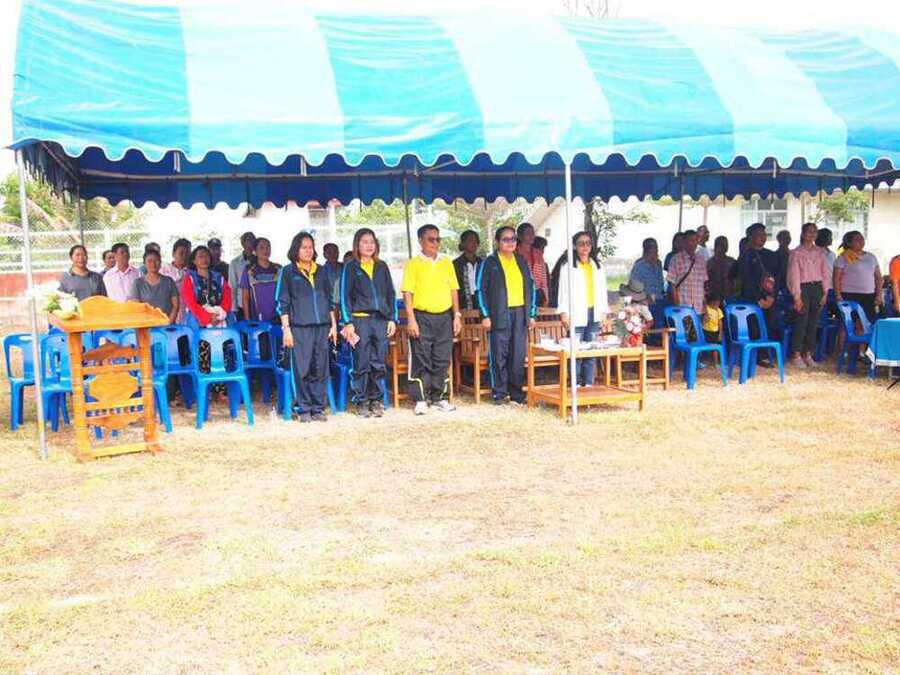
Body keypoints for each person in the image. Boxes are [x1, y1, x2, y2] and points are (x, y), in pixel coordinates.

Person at [401, 224, 462, 415]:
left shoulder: (446, 262)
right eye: (431, 239)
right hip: (422, 316)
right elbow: (407, 293)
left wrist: (457, 315)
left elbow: (454, 290)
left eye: (438, 239)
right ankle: (421, 399)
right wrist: (411, 319)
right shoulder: (413, 263)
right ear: (421, 241)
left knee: (442, 358)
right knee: (421, 358)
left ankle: (439, 398)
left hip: (444, 317)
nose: (435, 243)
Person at [277, 232, 337, 423]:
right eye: (304, 247)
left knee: (320, 368)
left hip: (322, 327)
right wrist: (286, 329)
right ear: (296, 249)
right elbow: (282, 303)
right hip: (299, 328)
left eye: (310, 247)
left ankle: (318, 408)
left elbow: (329, 300)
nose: (308, 250)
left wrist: (333, 325)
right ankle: (303, 409)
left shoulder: (322, 271)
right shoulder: (288, 272)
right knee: (301, 369)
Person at [340, 228, 397, 418]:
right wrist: (348, 322)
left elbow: (390, 293)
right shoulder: (351, 267)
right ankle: (361, 400)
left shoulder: (382, 266)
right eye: (364, 242)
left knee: (378, 362)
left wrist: (392, 318)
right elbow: (344, 296)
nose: (369, 245)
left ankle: (376, 399)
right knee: (361, 362)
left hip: (380, 321)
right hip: (359, 321)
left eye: (372, 242)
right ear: (357, 245)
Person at [477, 226, 537, 404]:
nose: (510, 242)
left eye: (513, 239)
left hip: (520, 313)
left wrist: (532, 314)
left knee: (518, 355)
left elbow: (531, 287)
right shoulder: (490, 262)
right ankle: (499, 393)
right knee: (499, 355)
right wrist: (485, 315)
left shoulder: (521, 261)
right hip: (499, 314)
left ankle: (517, 394)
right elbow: (480, 290)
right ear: (497, 242)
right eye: (506, 239)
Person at [556, 231, 610, 387]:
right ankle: (576, 384)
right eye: (581, 243)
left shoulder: (598, 266)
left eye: (588, 243)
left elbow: (603, 290)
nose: (585, 246)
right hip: (576, 312)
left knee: (591, 350)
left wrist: (604, 312)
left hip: (594, 311)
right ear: (575, 246)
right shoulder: (568, 266)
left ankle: (589, 384)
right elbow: (563, 291)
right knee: (576, 350)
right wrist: (564, 313)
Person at [787, 222, 830, 368]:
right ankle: (796, 354)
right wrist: (797, 296)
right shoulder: (796, 253)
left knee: (813, 322)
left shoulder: (820, 252)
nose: (812, 235)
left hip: (817, 287)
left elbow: (825, 273)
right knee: (802, 321)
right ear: (803, 234)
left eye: (814, 232)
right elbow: (794, 276)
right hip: (803, 288)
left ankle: (808, 353)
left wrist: (825, 292)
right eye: (809, 232)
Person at [735, 223, 780, 364]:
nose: (762, 237)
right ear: (750, 237)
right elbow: (746, 279)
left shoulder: (771, 255)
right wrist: (758, 299)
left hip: (770, 298)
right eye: (758, 235)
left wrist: (772, 297)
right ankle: (754, 356)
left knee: (769, 325)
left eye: (764, 234)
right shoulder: (745, 256)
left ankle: (766, 354)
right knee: (753, 327)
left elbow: (778, 277)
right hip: (751, 299)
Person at [834, 230, 882, 323]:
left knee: (866, 323)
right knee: (847, 323)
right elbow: (836, 278)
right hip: (848, 294)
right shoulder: (843, 257)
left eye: (862, 238)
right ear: (849, 243)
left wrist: (879, 295)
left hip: (869, 295)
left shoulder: (871, 256)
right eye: (857, 239)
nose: (861, 241)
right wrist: (838, 296)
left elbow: (878, 278)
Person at [666, 229, 708, 330]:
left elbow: (703, 285)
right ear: (684, 242)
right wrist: (677, 307)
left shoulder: (701, 260)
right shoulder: (675, 259)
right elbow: (672, 285)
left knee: (698, 335)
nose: (693, 243)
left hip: (698, 308)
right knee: (685, 334)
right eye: (690, 240)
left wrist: (705, 308)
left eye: (695, 240)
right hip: (683, 306)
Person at [182, 245, 232, 330]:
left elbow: (227, 297)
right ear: (194, 261)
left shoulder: (219, 277)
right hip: (198, 316)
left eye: (206, 256)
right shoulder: (190, 278)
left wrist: (220, 314)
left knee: (231, 323)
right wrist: (208, 317)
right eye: (200, 256)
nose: (204, 259)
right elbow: (190, 302)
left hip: (219, 314)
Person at [128, 248, 179, 324]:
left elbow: (176, 305)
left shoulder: (169, 281)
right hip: (146, 326)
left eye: (156, 261)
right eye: (149, 261)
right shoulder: (138, 283)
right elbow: (137, 308)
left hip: (167, 326)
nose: (153, 264)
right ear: (144, 263)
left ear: (160, 262)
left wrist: (168, 323)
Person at [239, 237, 281, 323]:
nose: (265, 250)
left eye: (268, 247)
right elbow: (245, 298)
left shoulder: (279, 269)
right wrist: (248, 320)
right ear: (255, 251)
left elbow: (285, 295)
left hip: (278, 318)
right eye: (261, 247)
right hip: (257, 319)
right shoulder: (249, 270)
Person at [516, 222, 549, 306]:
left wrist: (546, 295)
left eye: (533, 233)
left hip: (538, 292)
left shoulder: (538, 253)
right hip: (521, 292)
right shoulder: (515, 253)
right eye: (528, 233)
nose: (531, 236)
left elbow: (543, 276)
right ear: (520, 236)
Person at [160, 238, 191, 324]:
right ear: (173, 254)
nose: (184, 256)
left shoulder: (192, 272)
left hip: (186, 316)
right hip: (167, 315)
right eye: (181, 253)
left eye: (187, 253)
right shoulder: (163, 270)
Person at [453, 229, 482, 312]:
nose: (474, 243)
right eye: (470, 240)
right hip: (463, 303)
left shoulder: (482, 262)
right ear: (463, 243)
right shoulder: (456, 264)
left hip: (480, 300)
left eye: (476, 241)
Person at [628, 238, 665, 303]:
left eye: (656, 249)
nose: (656, 252)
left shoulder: (659, 264)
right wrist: (645, 298)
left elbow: (661, 285)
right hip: (645, 303)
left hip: (660, 299)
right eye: (652, 250)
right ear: (645, 250)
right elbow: (634, 289)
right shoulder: (639, 266)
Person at [228, 231, 256, 313]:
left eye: (253, 240)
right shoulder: (235, 263)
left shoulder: (260, 260)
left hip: (258, 304)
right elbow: (232, 286)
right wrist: (234, 308)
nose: (251, 243)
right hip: (241, 305)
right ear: (242, 244)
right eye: (248, 240)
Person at [707, 235, 736, 300]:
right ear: (715, 246)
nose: (724, 247)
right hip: (713, 297)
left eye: (726, 245)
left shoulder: (732, 262)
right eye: (721, 245)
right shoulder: (709, 263)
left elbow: (736, 280)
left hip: (729, 296)